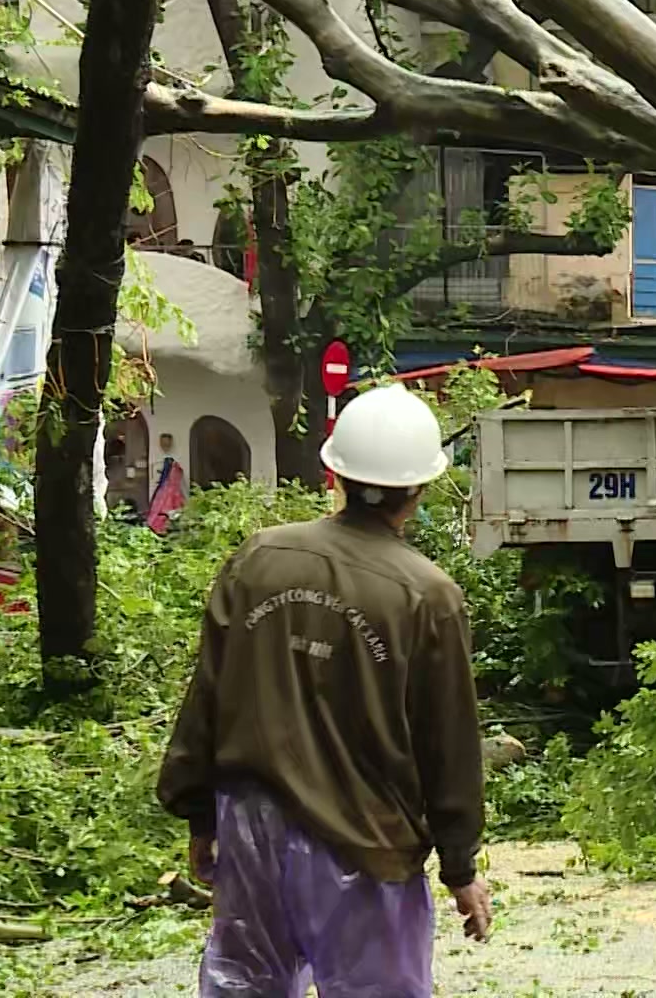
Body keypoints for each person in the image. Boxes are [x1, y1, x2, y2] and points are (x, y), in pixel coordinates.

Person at [158, 383, 490, 996]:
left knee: (246, 986)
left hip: (253, 832)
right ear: (419, 489)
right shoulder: (427, 595)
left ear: (331, 470)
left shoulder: (259, 559)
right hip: (366, 845)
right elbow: (449, 743)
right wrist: (460, 864)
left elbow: (207, 695)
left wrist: (201, 815)